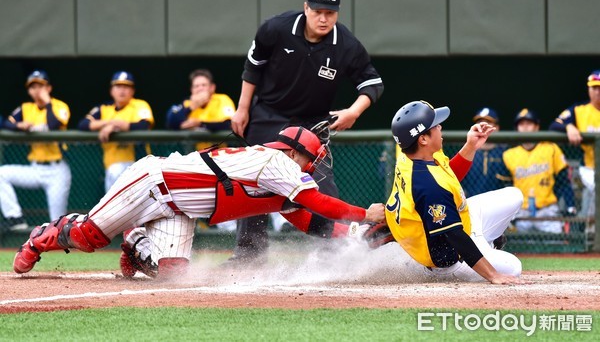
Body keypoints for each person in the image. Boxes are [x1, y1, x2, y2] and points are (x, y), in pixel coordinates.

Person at [13, 126, 385, 279]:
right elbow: (318, 203)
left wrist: (358, 236)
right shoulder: (276, 162)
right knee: (86, 237)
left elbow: (310, 220)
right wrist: (364, 214)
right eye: (310, 158)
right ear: (292, 151)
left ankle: (135, 241)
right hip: (151, 182)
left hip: (179, 208)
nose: (312, 166)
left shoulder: (283, 180)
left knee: (174, 274)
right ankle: (41, 237)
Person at [229, 0, 384, 264]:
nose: (323, 18)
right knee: (252, 183)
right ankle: (249, 255)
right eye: (317, 11)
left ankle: (333, 255)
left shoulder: (346, 45)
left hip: (311, 124)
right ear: (306, 8)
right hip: (268, 114)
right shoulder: (275, 28)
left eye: (330, 13)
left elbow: (373, 83)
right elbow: (253, 65)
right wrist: (242, 108)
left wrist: (354, 111)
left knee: (322, 187)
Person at [381, 100, 523, 284]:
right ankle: (484, 247)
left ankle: (484, 243)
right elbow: (455, 237)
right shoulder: (427, 185)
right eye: (435, 125)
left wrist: (471, 145)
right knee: (514, 267)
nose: (440, 126)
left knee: (514, 196)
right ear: (423, 139)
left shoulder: (413, 152)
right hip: (449, 257)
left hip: (459, 219)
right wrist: (493, 275)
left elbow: (448, 175)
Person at [166, 68, 237, 231]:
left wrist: (200, 124)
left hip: (221, 162)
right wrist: (192, 106)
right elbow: (171, 122)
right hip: (195, 163)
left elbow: (228, 124)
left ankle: (230, 238)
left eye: (203, 85)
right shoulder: (188, 105)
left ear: (212, 88)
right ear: (191, 90)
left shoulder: (221, 100)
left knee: (225, 205)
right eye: (196, 86)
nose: (200, 89)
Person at [0, 70, 71, 231]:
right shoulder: (26, 108)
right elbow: (5, 124)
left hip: (57, 171)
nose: (36, 90)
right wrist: (19, 126)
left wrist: (47, 102)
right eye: (33, 86)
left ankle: (62, 249)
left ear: (49, 88)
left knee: (57, 225)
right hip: (35, 169)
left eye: (40, 85)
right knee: (1, 173)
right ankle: (15, 217)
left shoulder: (59, 106)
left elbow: (53, 124)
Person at [501, 109, 576, 234]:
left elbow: (564, 181)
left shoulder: (551, 148)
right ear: (517, 128)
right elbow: (505, 187)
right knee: (518, 248)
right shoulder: (509, 155)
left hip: (548, 210)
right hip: (521, 212)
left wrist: (570, 206)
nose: (525, 128)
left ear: (537, 126)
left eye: (529, 123)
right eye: (521, 124)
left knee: (557, 246)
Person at [78, 71, 154, 192]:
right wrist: (110, 123)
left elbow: (144, 125)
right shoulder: (104, 108)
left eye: (126, 86)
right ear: (111, 90)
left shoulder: (139, 105)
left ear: (132, 91)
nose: (122, 90)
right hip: (111, 166)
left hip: (139, 165)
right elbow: (83, 124)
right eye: (118, 86)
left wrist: (114, 126)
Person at [549, 69, 600, 221]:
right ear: (589, 90)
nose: (598, 92)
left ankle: (590, 234)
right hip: (589, 169)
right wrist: (568, 126)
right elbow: (554, 125)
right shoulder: (579, 110)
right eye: (594, 87)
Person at [460, 107, 509, 197]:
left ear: (497, 127)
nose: (483, 126)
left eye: (488, 122)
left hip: (500, 205)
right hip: (471, 203)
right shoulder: (466, 152)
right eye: (479, 123)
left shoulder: (507, 153)